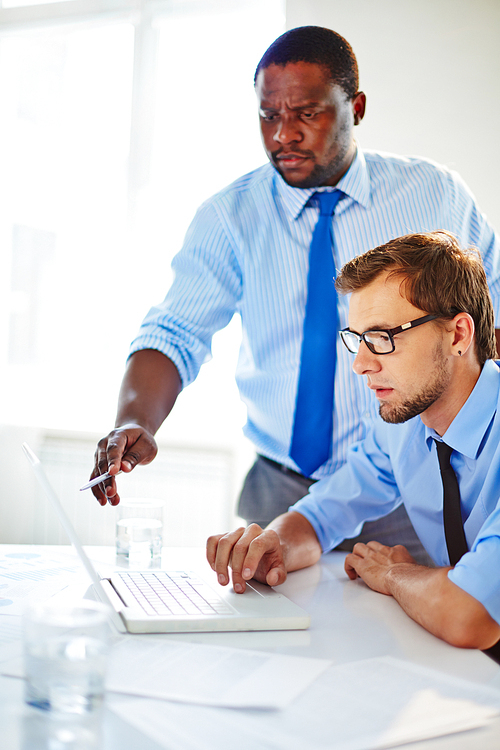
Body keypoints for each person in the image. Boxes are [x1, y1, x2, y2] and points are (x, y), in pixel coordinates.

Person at [89, 26, 500, 564]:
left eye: (306, 113)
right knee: (271, 629)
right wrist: (135, 420)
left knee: (425, 628)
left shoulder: (435, 195)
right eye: (268, 115)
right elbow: (175, 331)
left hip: (412, 482)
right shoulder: (229, 216)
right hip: (282, 491)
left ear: (355, 106)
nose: (283, 134)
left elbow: (487, 318)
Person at [207, 232, 500, 651]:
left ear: (457, 335)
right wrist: (272, 544)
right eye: (358, 339)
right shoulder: (401, 424)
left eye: (383, 337)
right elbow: (323, 514)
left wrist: (395, 574)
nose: (361, 364)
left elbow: (469, 615)